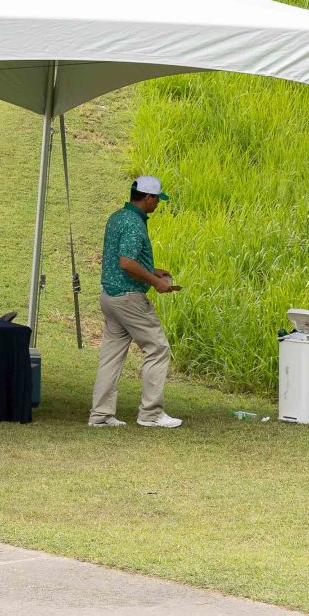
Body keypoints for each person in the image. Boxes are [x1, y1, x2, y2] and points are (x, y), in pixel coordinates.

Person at [89, 175, 183, 429]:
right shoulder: (134, 223)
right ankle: (150, 413)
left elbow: (122, 256)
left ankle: (100, 415)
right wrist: (156, 282)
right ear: (148, 197)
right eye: (157, 199)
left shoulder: (118, 216)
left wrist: (152, 270)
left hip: (109, 296)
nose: (158, 204)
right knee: (158, 348)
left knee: (111, 357)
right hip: (129, 297)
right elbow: (126, 262)